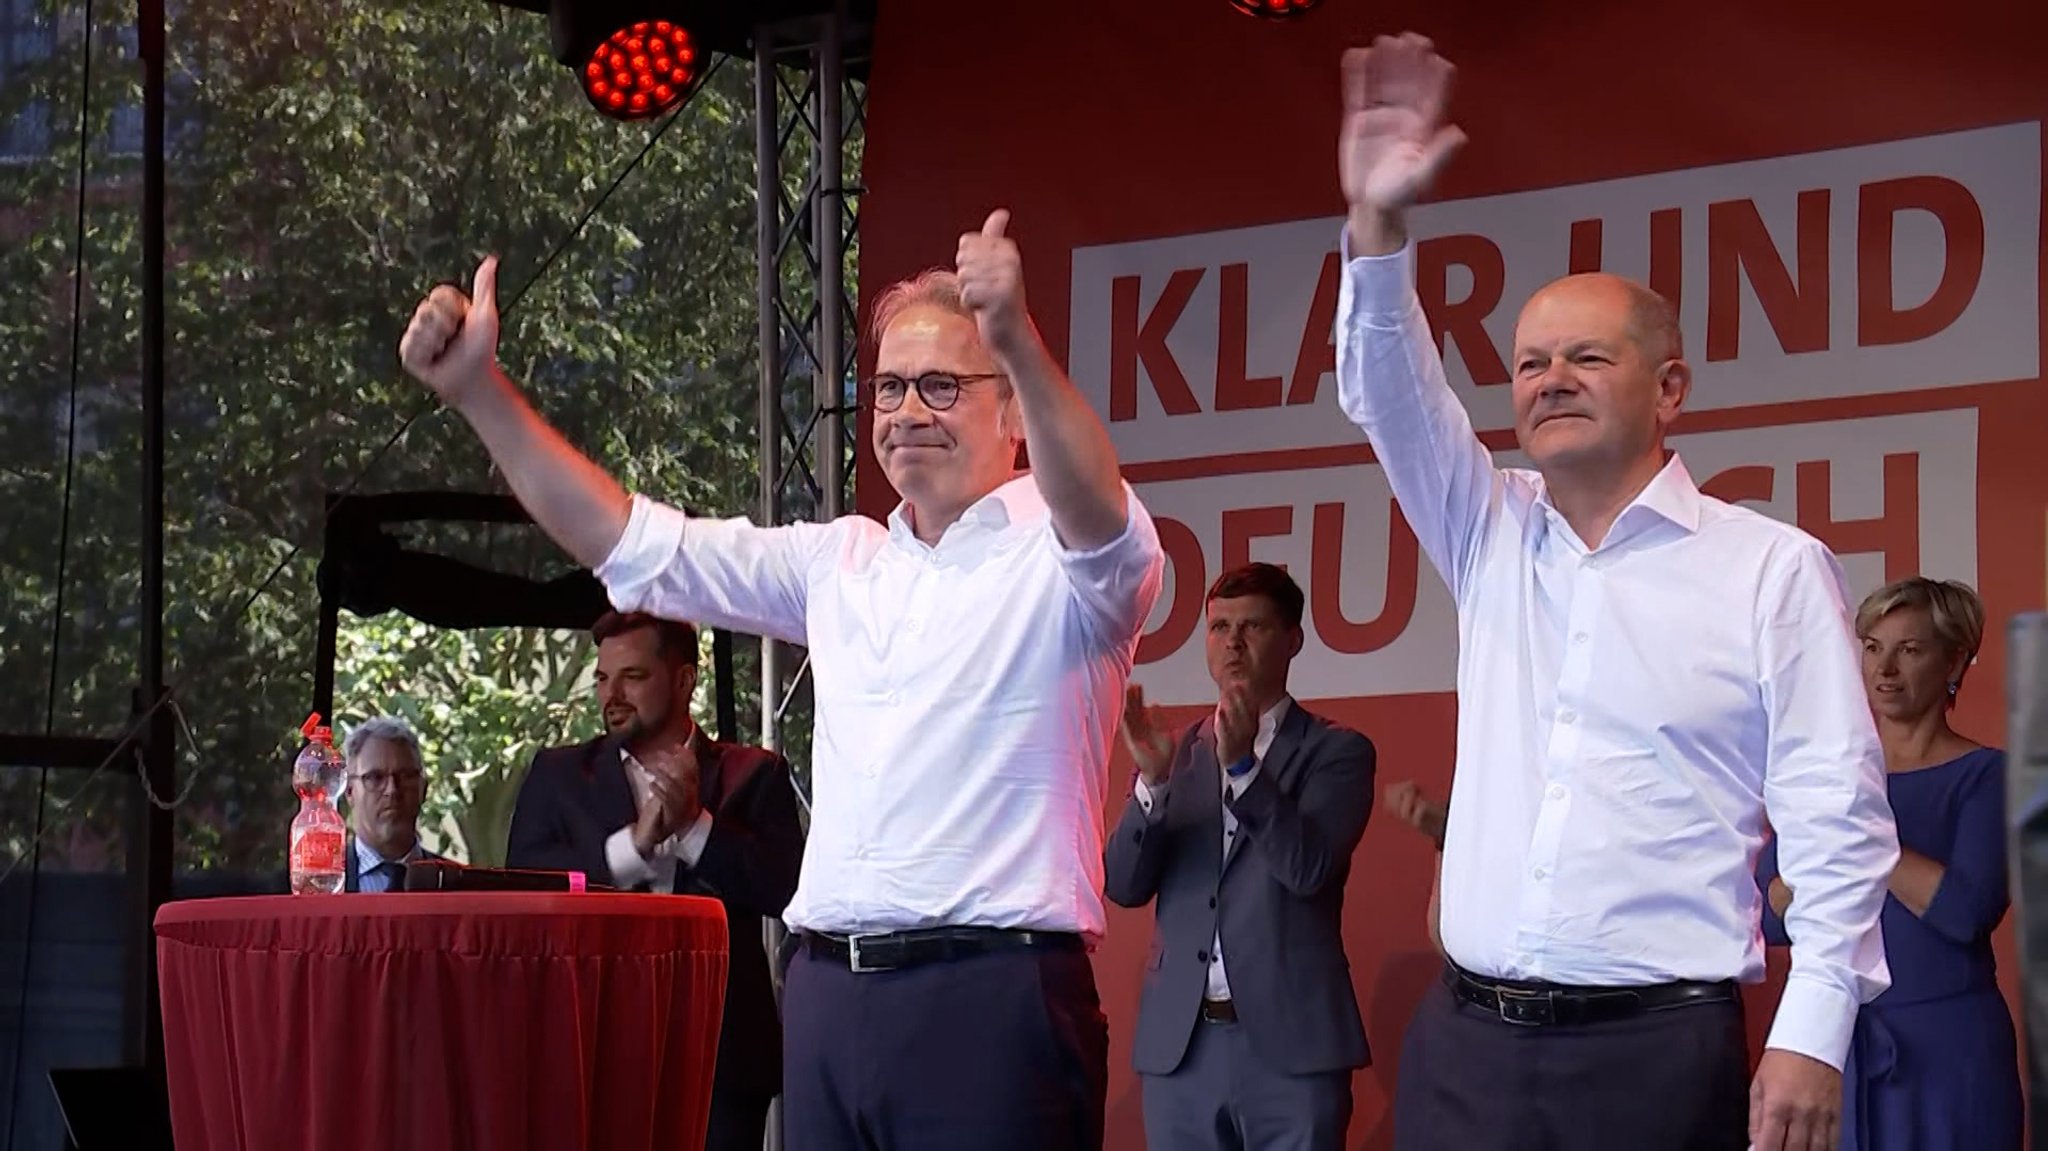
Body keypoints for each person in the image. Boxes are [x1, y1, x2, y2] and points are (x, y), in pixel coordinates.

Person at [398, 209, 1163, 1151]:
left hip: (989, 998)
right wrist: (482, 395)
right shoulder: (841, 558)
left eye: (940, 384)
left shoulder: (1065, 555)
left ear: (1010, 407)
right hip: (830, 1000)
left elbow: (1097, 502)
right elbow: (633, 542)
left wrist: (1018, 337)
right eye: (886, 388)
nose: (906, 411)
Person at [1332, 33, 1898, 1151]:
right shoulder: (1483, 523)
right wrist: (1375, 229)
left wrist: (1811, 1026)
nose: (1548, 380)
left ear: (1668, 387)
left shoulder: (1766, 567)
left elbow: (1835, 816)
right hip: (1463, 1043)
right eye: (1530, 362)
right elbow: (1389, 391)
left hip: (1652, 1052)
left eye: (1584, 358)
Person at [506, 610, 804, 1151]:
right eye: (602, 678)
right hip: (590, 1048)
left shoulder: (753, 774)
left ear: (685, 679)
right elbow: (526, 886)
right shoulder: (558, 775)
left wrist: (694, 829)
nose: (610, 694)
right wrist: (632, 848)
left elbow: (784, 889)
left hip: (723, 1056)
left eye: (632, 677)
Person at [1105, 562, 1376, 1151]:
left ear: (1292, 640)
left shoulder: (1338, 751)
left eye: (1251, 627)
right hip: (1182, 1049)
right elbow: (1123, 886)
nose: (1232, 642)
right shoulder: (1175, 753)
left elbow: (1307, 868)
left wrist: (1244, 769)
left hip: (1291, 1049)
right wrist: (1151, 784)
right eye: (1219, 627)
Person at [1758, 577, 2022, 1150]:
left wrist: (1858, 843)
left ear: (1955, 660)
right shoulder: (1828, 776)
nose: (1885, 669)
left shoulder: (1989, 777)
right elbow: (1772, 916)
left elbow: (1964, 911)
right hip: (1838, 1041)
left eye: (1910, 650)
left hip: (1950, 1051)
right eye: (1873, 647)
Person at [340, 716, 443, 892]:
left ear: (423, 788)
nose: (392, 790)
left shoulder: (459, 886)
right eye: (375, 778)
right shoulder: (306, 889)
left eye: (405, 776)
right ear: (349, 791)